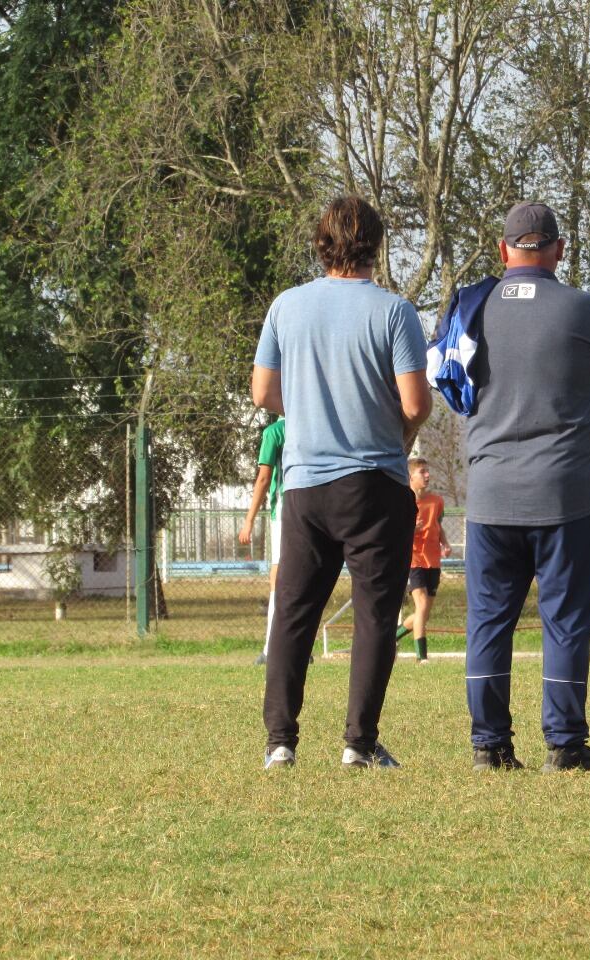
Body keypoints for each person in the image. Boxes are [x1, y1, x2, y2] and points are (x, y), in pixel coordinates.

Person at [252, 195, 431, 771]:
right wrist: (397, 433)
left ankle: (280, 741)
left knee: (294, 612)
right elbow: (415, 402)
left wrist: (302, 412)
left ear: (320, 243)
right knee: (375, 614)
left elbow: (262, 395)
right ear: (376, 246)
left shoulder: (286, 306)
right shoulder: (394, 312)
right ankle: (358, 742)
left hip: (304, 486)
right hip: (374, 483)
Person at [459, 202, 590, 773]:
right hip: (566, 496)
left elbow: (450, 381)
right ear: (557, 249)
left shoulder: (466, 309)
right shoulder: (587, 308)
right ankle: (566, 744)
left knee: (487, 621)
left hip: (489, 497)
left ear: (503, 251)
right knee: (566, 621)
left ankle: (490, 746)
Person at [394, 457, 452, 662]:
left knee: (424, 614)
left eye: (428, 471)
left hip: (433, 561)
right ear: (411, 476)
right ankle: (422, 658)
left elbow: (437, 524)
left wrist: (445, 543)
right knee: (420, 607)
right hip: (413, 561)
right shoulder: (402, 500)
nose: (427, 476)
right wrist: (410, 529)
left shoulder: (437, 501)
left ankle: (391, 640)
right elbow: (391, 533)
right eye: (422, 472)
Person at [238, 415, 285, 666]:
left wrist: (249, 520)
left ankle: (271, 648)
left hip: (288, 510)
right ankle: (302, 645)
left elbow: (264, 478)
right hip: (320, 509)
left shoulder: (275, 431)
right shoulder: (313, 422)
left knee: (278, 578)